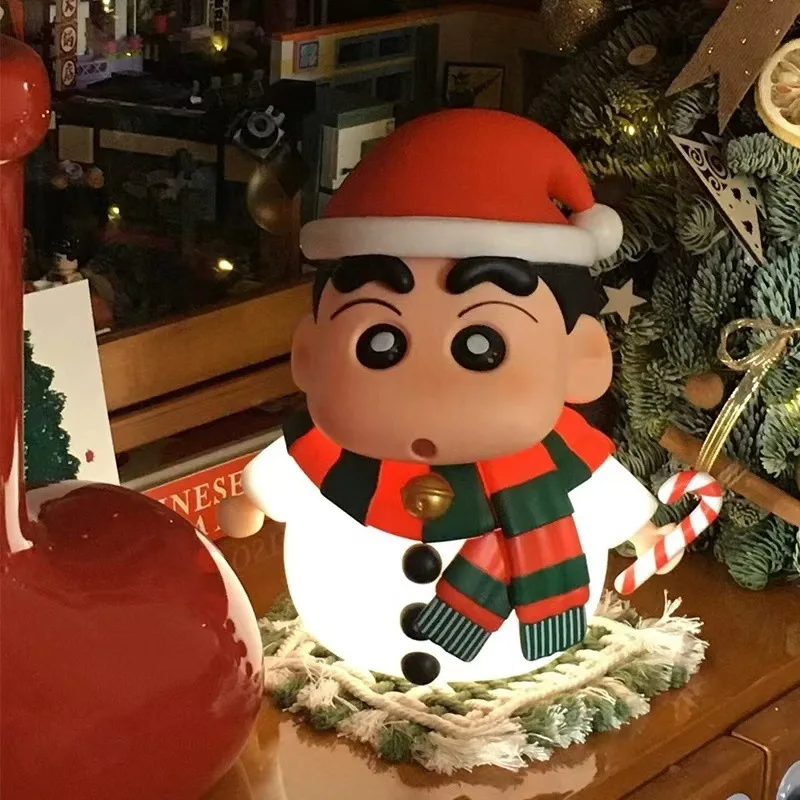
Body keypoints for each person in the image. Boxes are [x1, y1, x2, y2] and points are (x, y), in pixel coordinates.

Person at [218, 109, 674, 685]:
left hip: (516, 664)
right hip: (346, 641)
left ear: (582, 360)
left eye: (482, 347)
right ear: (308, 354)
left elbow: (612, 504)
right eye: (380, 343)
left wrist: (647, 536)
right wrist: (253, 504)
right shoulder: (322, 455)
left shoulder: (564, 466)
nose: (428, 390)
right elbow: (269, 489)